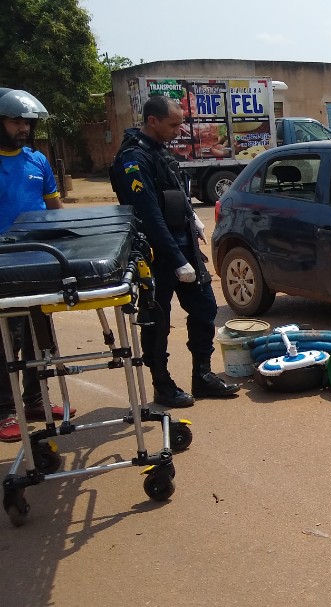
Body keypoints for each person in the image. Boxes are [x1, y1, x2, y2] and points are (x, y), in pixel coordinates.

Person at [110, 96, 239, 407]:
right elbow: (149, 213)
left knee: (206, 309)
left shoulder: (158, 151)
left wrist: (191, 218)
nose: (179, 129)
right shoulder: (132, 159)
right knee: (157, 322)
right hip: (156, 255)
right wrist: (177, 259)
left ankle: (203, 376)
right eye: (173, 124)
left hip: (183, 248)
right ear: (152, 121)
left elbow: (175, 189)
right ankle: (162, 385)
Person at [0, 87, 69, 443]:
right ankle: (5, 411)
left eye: (26, 121)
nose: (22, 127)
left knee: (39, 335)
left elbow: (54, 209)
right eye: (15, 121)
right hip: (3, 266)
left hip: (39, 261)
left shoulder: (37, 160)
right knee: (6, 340)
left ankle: (34, 400)